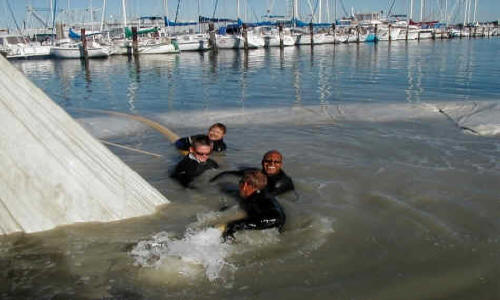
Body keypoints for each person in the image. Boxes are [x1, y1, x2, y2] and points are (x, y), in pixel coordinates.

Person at [220, 170, 286, 240]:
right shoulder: (260, 195)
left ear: (245, 185)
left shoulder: (256, 200)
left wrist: (238, 225)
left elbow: (276, 217)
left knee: (233, 225)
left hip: (273, 219)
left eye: (241, 183)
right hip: (274, 220)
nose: (239, 186)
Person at [210, 150, 294, 196]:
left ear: (281, 164)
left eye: (276, 162)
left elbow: (265, 198)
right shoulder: (256, 172)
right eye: (268, 161)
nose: (271, 164)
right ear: (262, 162)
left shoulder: (281, 183)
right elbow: (230, 173)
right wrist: (212, 180)